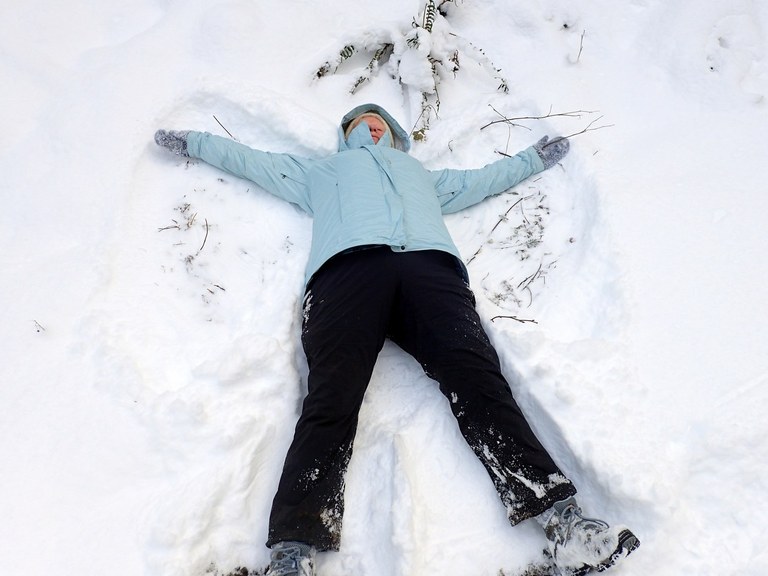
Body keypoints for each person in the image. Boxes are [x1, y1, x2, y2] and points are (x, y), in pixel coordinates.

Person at [155, 103, 639, 576]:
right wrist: (194, 142)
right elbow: (251, 161)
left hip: (430, 272)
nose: (371, 127)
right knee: (331, 399)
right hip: (345, 273)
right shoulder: (321, 171)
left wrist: (532, 159)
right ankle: (293, 551)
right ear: (347, 134)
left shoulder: (421, 176)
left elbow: (481, 180)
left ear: (393, 135)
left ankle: (564, 523)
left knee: (478, 380)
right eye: (361, 123)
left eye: (380, 123)